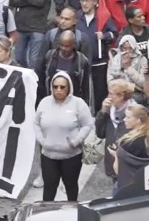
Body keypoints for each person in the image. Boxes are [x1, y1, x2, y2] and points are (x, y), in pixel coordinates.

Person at [35, 71, 93, 202]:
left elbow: (88, 124)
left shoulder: (78, 104)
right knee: (49, 189)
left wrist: (77, 140)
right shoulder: (44, 102)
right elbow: (35, 123)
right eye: (55, 87)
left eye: (62, 87)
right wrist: (42, 141)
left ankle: (72, 214)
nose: (58, 90)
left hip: (71, 156)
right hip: (48, 155)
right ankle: (46, 215)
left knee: (71, 187)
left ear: (69, 87)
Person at [113, 102, 149, 192]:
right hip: (147, 187)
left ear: (138, 120)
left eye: (128, 117)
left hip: (126, 189)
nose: (124, 120)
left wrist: (116, 154)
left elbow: (117, 170)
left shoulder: (126, 142)